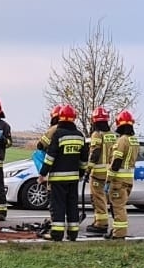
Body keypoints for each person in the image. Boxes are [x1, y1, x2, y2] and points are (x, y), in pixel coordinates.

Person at [35, 103, 86, 241]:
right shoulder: (80, 135)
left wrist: (42, 173)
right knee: (72, 205)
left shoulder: (58, 134)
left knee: (58, 206)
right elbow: (84, 159)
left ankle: (56, 234)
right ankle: (73, 234)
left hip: (58, 179)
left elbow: (50, 157)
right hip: (73, 179)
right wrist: (81, 173)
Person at [106, 110, 138, 239]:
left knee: (118, 207)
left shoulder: (122, 141)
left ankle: (119, 234)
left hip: (118, 180)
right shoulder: (134, 141)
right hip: (129, 180)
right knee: (120, 206)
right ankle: (116, 230)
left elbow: (116, 162)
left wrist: (108, 179)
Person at [84, 106, 114, 235]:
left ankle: (101, 224)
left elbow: (95, 152)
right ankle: (98, 221)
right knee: (105, 199)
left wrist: (88, 169)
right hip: (110, 172)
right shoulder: (112, 135)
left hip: (98, 173)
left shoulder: (97, 134)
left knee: (98, 199)